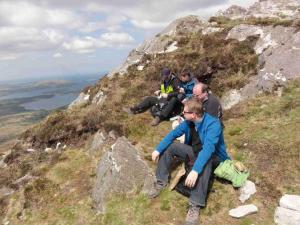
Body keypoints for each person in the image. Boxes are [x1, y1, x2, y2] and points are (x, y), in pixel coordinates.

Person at [149, 98, 230, 225]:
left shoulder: (213, 124)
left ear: (193, 114)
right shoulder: (189, 122)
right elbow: (173, 134)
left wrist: (195, 171)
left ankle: (195, 205)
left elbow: (208, 150)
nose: (182, 114)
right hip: (196, 151)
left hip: (214, 157)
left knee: (205, 161)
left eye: (184, 112)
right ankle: (161, 182)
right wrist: (158, 150)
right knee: (171, 146)